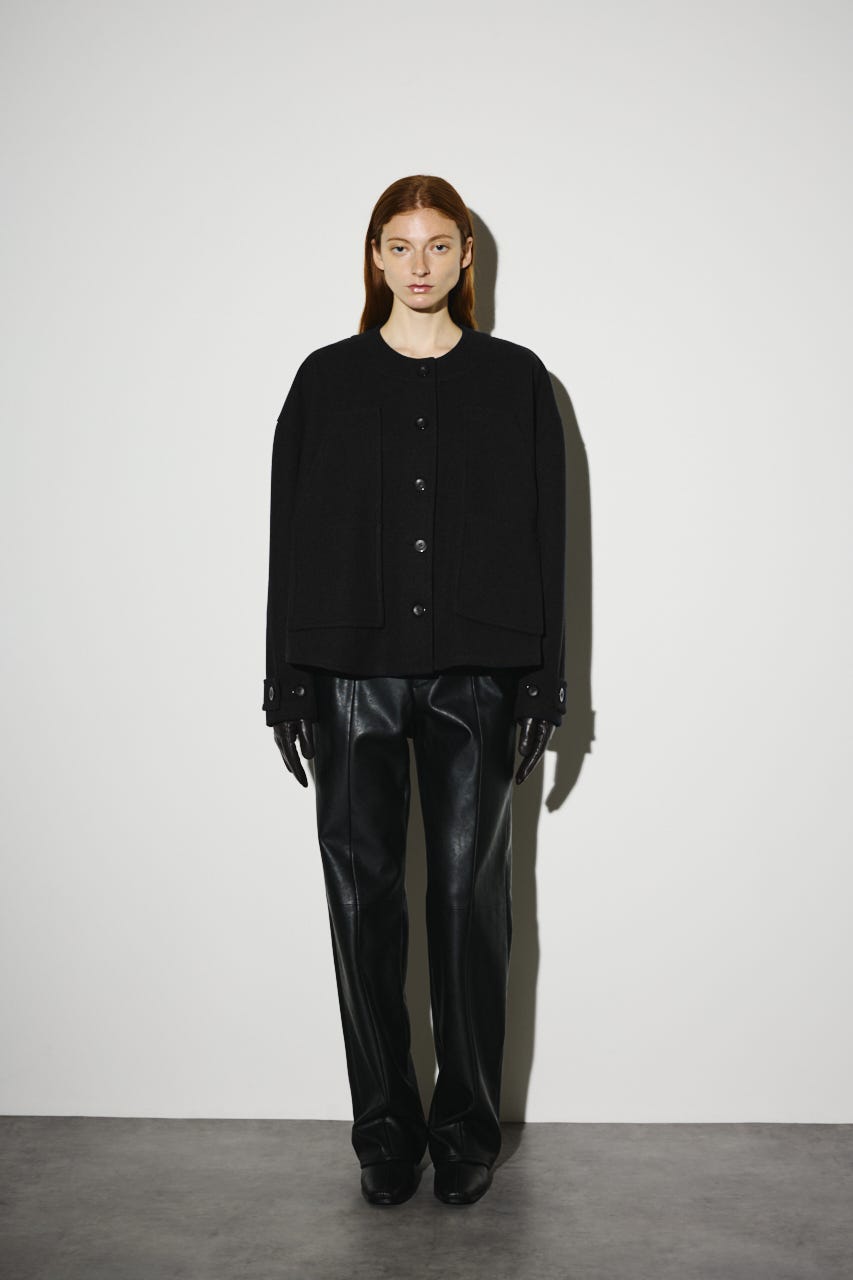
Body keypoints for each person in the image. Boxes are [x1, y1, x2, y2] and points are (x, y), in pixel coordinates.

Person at [262, 175, 567, 1207]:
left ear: (466, 256)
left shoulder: (516, 380)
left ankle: (466, 1125)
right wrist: (283, 682)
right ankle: (384, 1128)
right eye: (400, 245)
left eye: (439, 245)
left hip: (478, 677)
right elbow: (286, 534)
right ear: (374, 256)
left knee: (469, 904)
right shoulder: (326, 380)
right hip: (348, 676)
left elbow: (550, 534)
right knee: (362, 907)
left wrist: (545, 684)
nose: (420, 264)